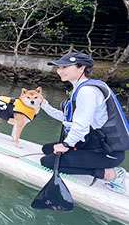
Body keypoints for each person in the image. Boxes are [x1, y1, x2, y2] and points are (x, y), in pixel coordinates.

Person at [40, 52, 129, 193]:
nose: (59, 71)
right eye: (59, 67)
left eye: (65, 67)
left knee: (48, 162)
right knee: (47, 149)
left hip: (108, 153)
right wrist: (44, 105)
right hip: (93, 145)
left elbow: (80, 127)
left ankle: (111, 174)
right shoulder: (80, 89)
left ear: (81, 69)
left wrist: (66, 144)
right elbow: (68, 119)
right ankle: (102, 167)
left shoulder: (87, 92)